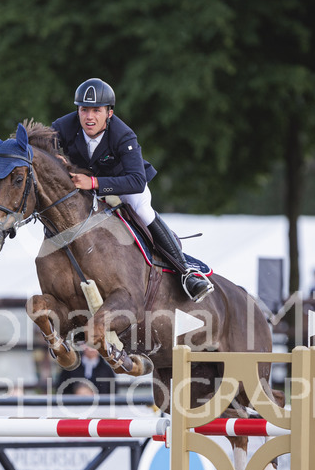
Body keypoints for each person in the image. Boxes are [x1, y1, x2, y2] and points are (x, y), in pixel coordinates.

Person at [51, 77, 213, 302]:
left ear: (109, 113)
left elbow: (136, 180)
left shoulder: (123, 134)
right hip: (84, 187)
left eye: (96, 110)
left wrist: (95, 183)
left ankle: (185, 272)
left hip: (124, 184)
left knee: (143, 209)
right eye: (84, 110)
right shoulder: (62, 127)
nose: (89, 117)